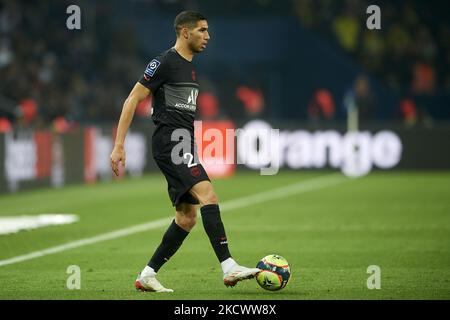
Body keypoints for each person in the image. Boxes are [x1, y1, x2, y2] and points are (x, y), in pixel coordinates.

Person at [110, 11, 260, 293]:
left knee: (187, 217)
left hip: (182, 141)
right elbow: (133, 99)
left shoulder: (190, 68)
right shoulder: (164, 62)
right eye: (202, 30)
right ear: (184, 32)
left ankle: (147, 274)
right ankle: (228, 265)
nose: (208, 36)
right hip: (172, 141)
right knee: (208, 195)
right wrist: (119, 145)